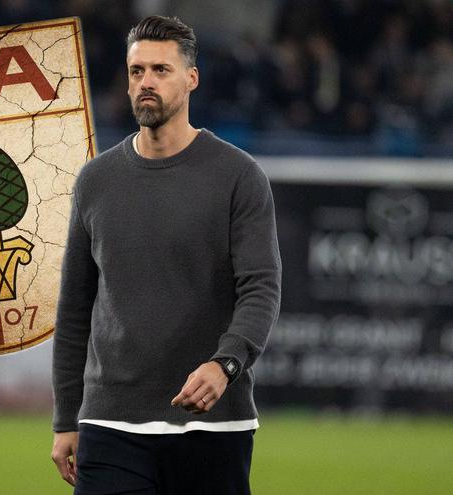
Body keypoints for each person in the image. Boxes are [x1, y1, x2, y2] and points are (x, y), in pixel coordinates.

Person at [50, 15, 281, 495]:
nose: (146, 82)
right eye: (137, 71)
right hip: (110, 424)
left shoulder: (239, 176)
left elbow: (261, 289)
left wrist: (226, 364)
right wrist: (66, 418)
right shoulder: (95, 181)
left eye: (161, 70)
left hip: (214, 424)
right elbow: (74, 309)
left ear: (191, 78)